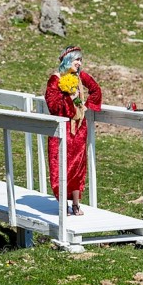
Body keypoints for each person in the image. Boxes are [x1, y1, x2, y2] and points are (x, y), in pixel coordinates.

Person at [44, 46, 102, 216]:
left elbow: (96, 90)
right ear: (67, 60)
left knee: (77, 167)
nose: (79, 63)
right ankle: (62, 203)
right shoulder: (55, 79)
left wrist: (86, 106)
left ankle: (76, 204)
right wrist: (69, 99)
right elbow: (53, 105)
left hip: (79, 129)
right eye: (76, 59)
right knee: (60, 165)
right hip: (61, 129)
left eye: (80, 60)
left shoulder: (80, 77)